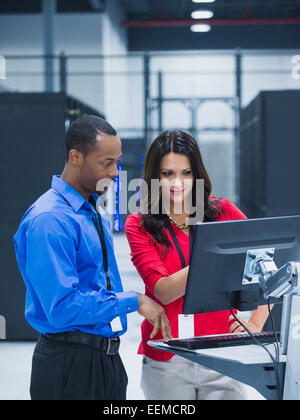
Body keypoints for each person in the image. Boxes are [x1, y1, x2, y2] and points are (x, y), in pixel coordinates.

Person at [13, 115, 172, 401]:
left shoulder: (88, 210)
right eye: (106, 163)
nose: (115, 173)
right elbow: (62, 307)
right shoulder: (50, 219)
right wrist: (132, 300)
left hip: (104, 359)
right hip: (70, 364)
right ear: (76, 157)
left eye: (117, 162)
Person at [125, 130, 272, 400]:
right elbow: (164, 290)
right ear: (154, 177)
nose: (177, 182)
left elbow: (269, 265)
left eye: (186, 172)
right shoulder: (140, 224)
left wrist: (256, 321)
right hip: (167, 357)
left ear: (197, 174)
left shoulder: (223, 212)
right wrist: (217, 258)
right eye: (167, 174)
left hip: (222, 353)